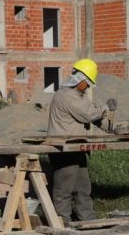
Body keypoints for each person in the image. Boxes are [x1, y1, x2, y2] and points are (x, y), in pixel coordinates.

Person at [47, 58, 117, 225]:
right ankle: (61, 223)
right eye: (88, 83)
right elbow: (89, 114)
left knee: (83, 188)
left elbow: (93, 116)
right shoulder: (66, 95)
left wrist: (113, 128)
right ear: (80, 79)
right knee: (64, 189)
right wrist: (105, 107)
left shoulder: (79, 96)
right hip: (64, 149)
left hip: (77, 148)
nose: (88, 86)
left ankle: (87, 222)